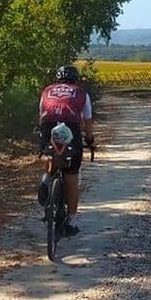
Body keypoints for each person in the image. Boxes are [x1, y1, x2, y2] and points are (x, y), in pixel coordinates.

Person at [38, 65, 94, 236]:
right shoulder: (82, 93)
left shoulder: (47, 91)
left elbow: (41, 115)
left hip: (49, 126)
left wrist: (41, 138)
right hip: (71, 129)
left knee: (50, 153)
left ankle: (46, 180)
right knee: (71, 175)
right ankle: (71, 220)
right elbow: (88, 122)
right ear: (75, 79)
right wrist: (89, 140)